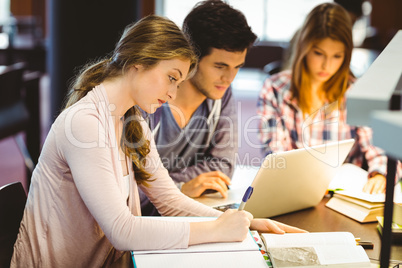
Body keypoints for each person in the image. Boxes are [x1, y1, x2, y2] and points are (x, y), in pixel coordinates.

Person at [11, 15, 304, 267]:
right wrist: (217, 229)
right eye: (171, 78)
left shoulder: (133, 120)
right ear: (137, 63)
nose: (173, 94)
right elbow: (122, 231)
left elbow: (169, 201)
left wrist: (244, 220)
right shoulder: (85, 123)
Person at [257, 3, 391, 194]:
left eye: (337, 56)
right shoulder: (275, 89)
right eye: (318, 53)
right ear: (304, 48)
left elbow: (378, 149)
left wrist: (380, 174)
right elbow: (276, 156)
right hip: (296, 192)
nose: (326, 65)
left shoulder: (356, 91)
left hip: (345, 197)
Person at [140, 0, 258, 216]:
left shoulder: (222, 93)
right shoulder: (150, 100)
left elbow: (222, 167)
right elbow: (129, 188)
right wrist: (181, 189)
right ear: (191, 56)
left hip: (188, 215)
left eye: (237, 67)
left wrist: (166, 184)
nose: (229, 78)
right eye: (220, 66)